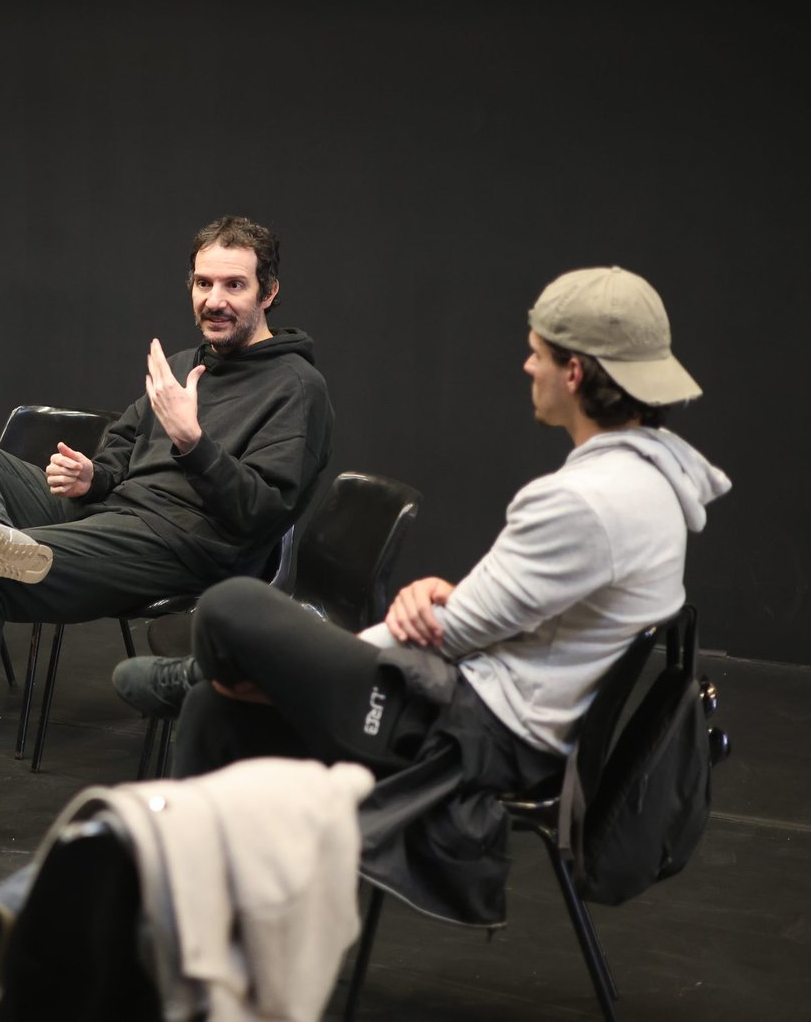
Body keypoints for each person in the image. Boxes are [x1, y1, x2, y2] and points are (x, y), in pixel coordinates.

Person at [120, 265, 731, 926]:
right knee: (216, 709)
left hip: (470, 726)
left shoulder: (580, 501)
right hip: (506, 705)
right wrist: (452, 598)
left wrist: (419, 616)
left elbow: (450, 631)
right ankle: (183, 912)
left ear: (575, 373)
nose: (528, 366)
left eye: (537, 352)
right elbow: (530, 601)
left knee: (231, 605)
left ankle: (199, 678)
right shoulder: (651, 481)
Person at [0, 214, 336, 840]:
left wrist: (193, 441)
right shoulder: (182, 364)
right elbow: (123, 443)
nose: (214, 301)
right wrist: (97, 474)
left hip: (182, 540)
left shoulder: (297, 388)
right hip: (114, 510)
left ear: (269, 293)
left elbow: (262, 512)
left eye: (234, 286)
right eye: (203, 284)